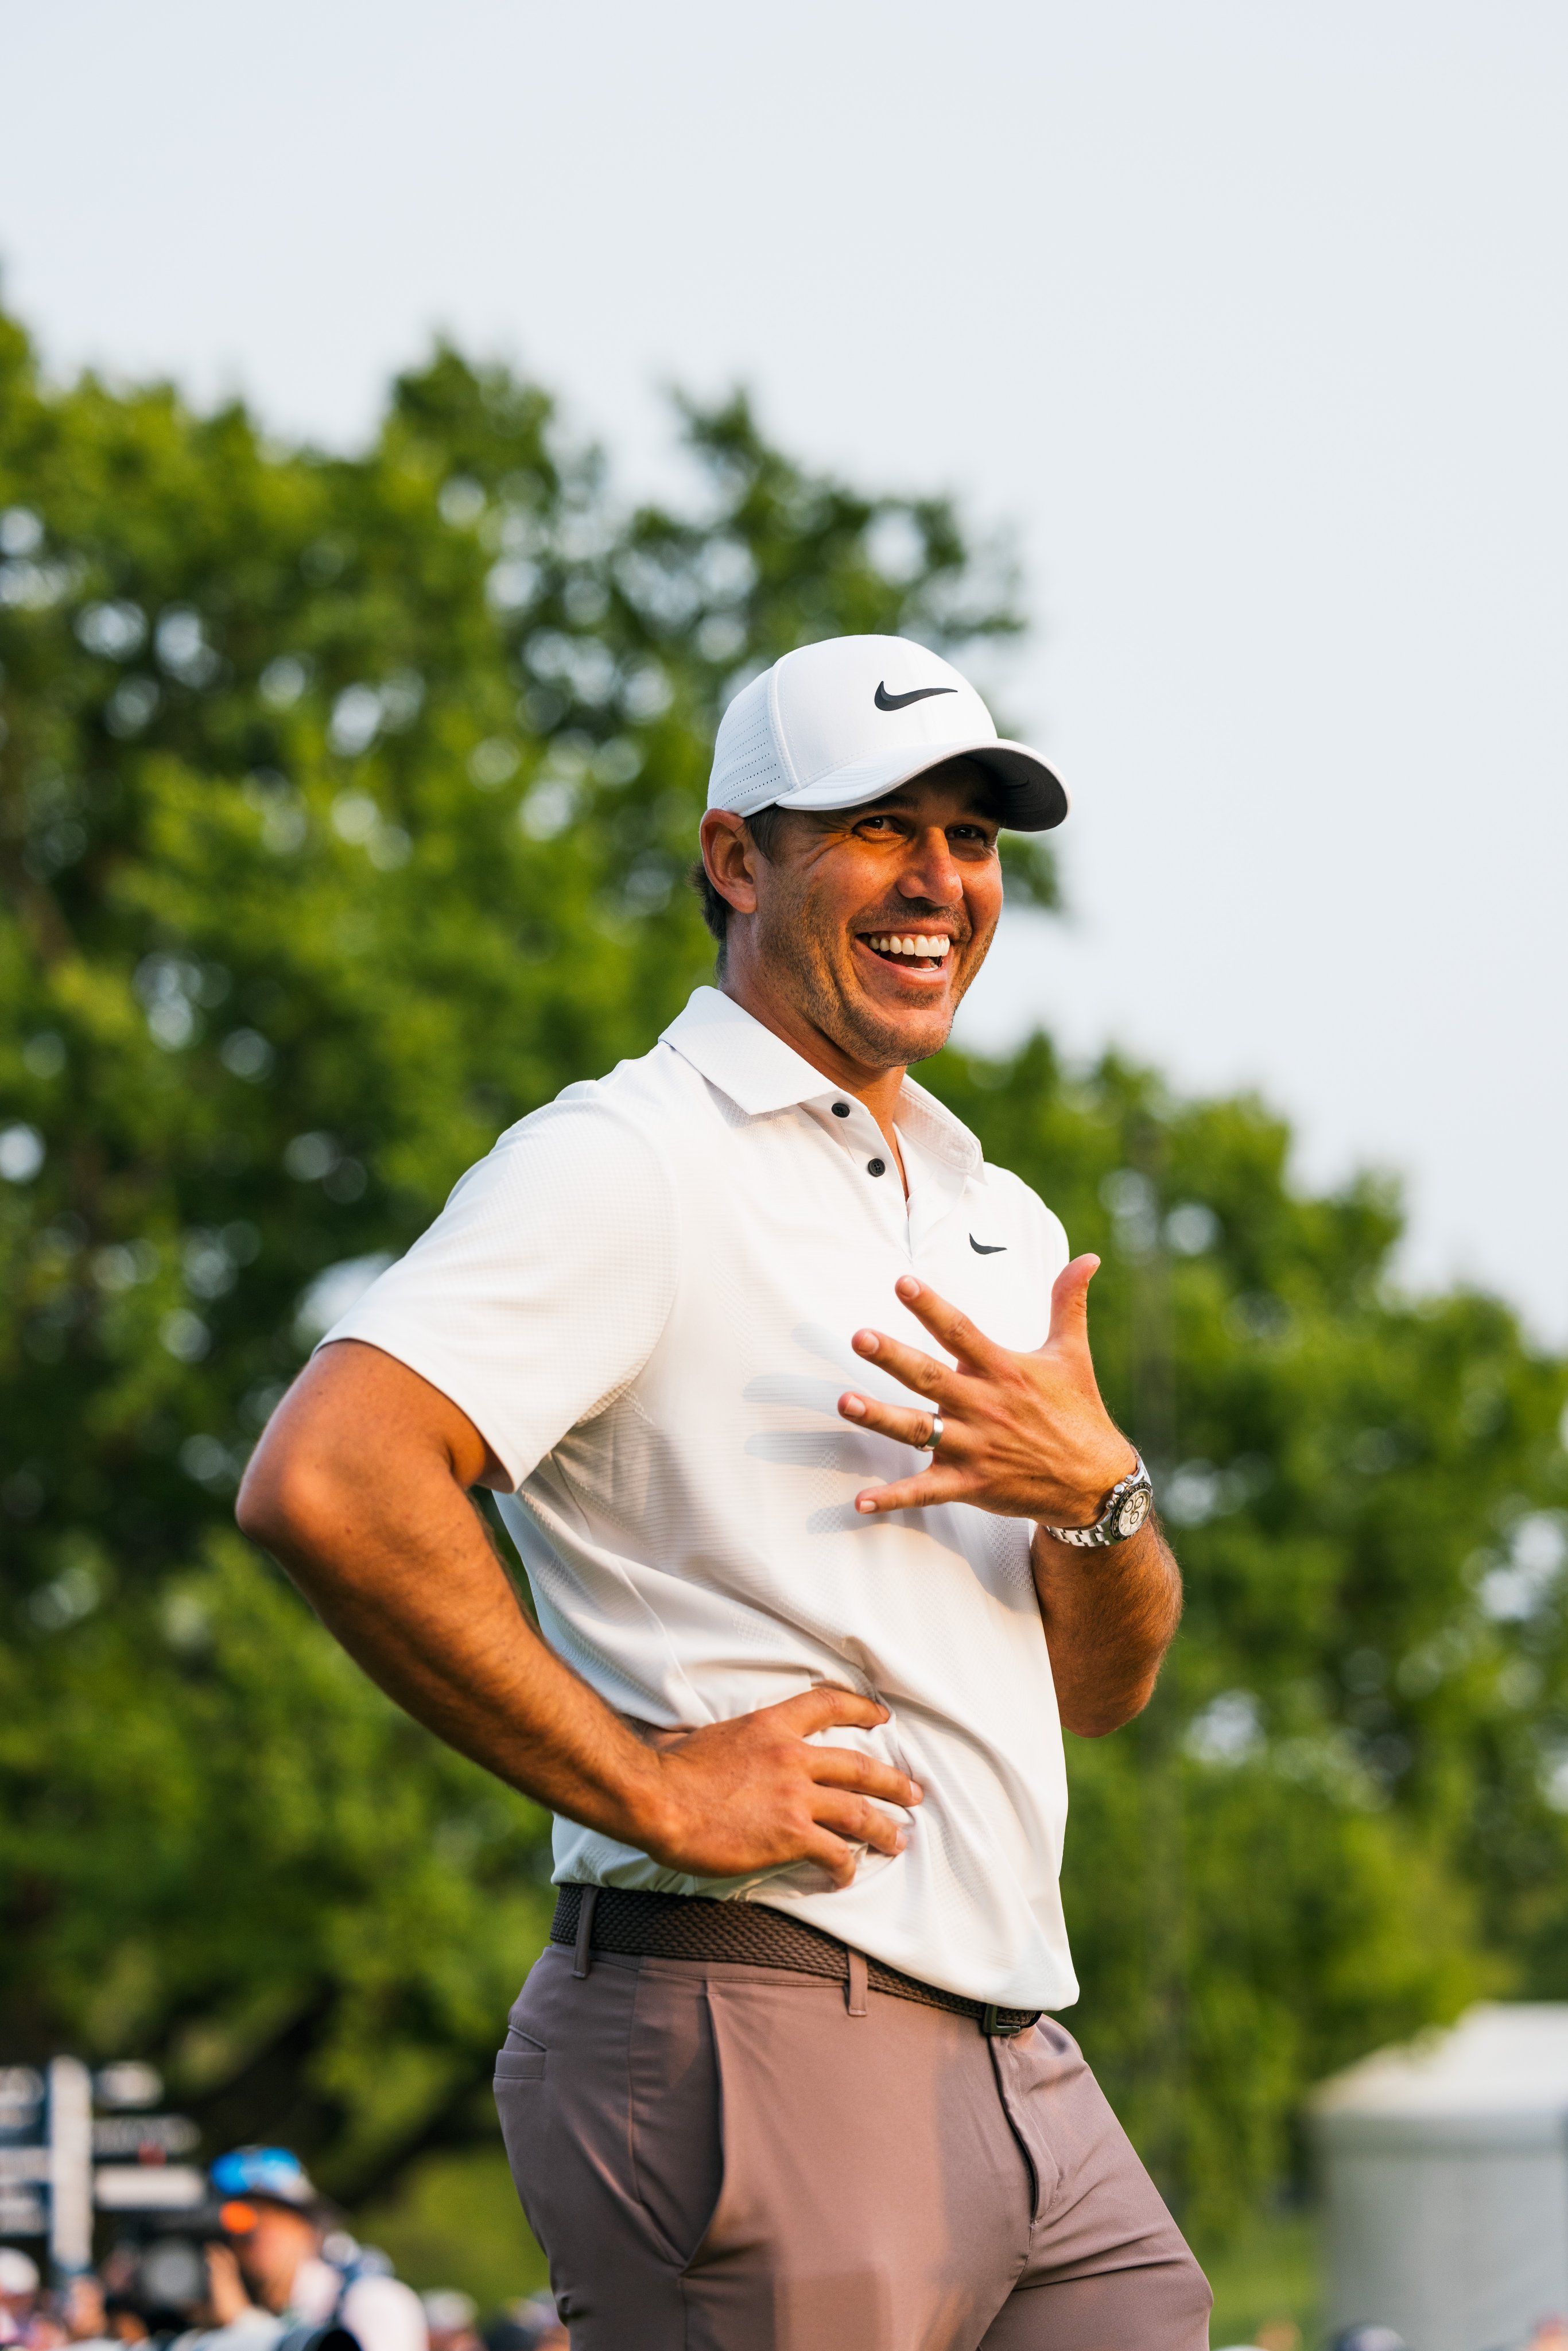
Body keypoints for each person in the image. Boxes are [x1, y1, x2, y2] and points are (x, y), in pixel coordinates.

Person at [239, 632, 1207, 2349]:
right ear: (735, 856)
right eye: (876, 826)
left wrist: (1101, 1500)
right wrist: (646, 1787)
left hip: (1024, 2052)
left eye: (971, 837)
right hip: (750, 2020)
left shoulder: (1002, 1219)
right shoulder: (630, 1162)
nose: (937, 882)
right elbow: (332, 1478)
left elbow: (1095, 1687)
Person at [210, 2151, 425, 2351]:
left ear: (309, 2228)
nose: (255, 2231)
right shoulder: (219, 2307)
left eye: (275, 2214)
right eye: (238, 2220)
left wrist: (243, 2327)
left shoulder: (371, 2299)